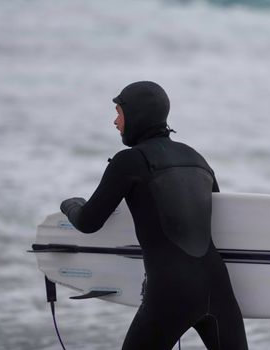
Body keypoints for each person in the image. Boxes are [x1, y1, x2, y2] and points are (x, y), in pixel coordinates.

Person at [60, 81, 249, 350]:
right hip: (218, 287)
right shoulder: (197, 158)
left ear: (135, 114)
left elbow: (89, 222)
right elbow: (212, 216)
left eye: (118, 112)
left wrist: (69, 204)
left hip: (171, 291)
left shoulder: (130, 161)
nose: (115, 121)